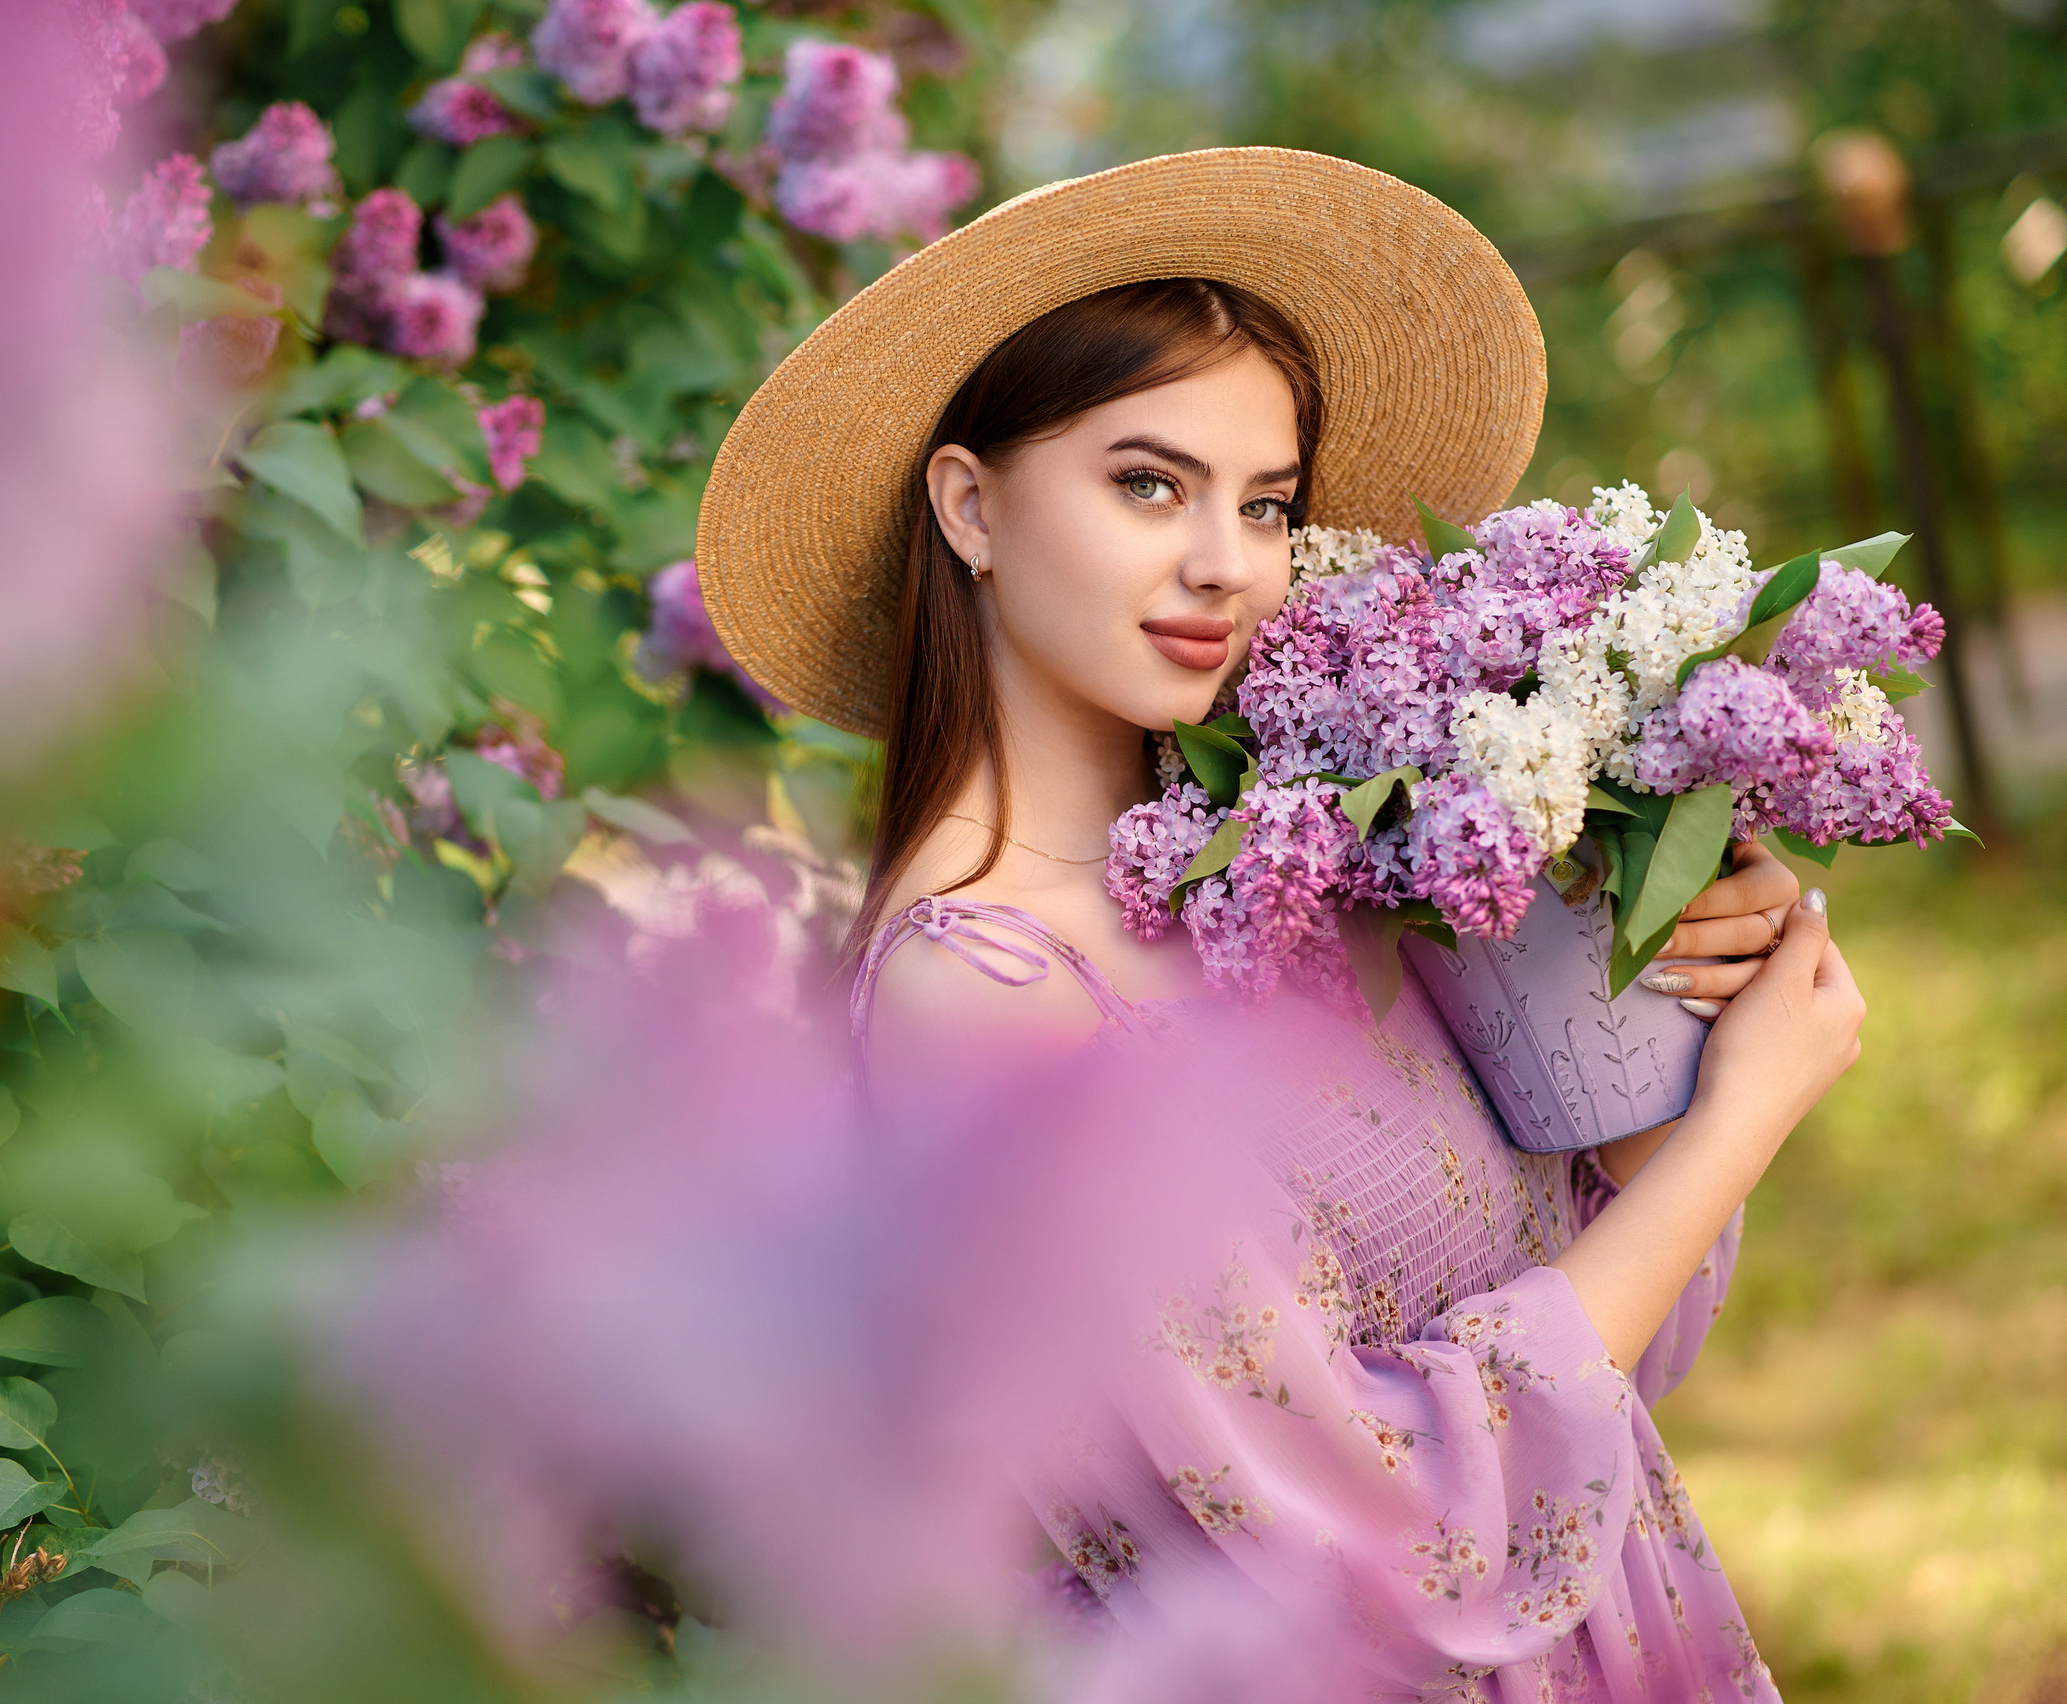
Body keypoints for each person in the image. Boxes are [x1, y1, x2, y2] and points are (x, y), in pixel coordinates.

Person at [694, 150, 1861, 1700]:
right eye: (1146, 484)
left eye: (1266, 504)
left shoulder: (1296, 873)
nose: (1225, 564)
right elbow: (1388, 1535)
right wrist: (1748, 1121)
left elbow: (1601, 1339)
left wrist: (1673, 983)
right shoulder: (979, 996)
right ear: (970, 505)